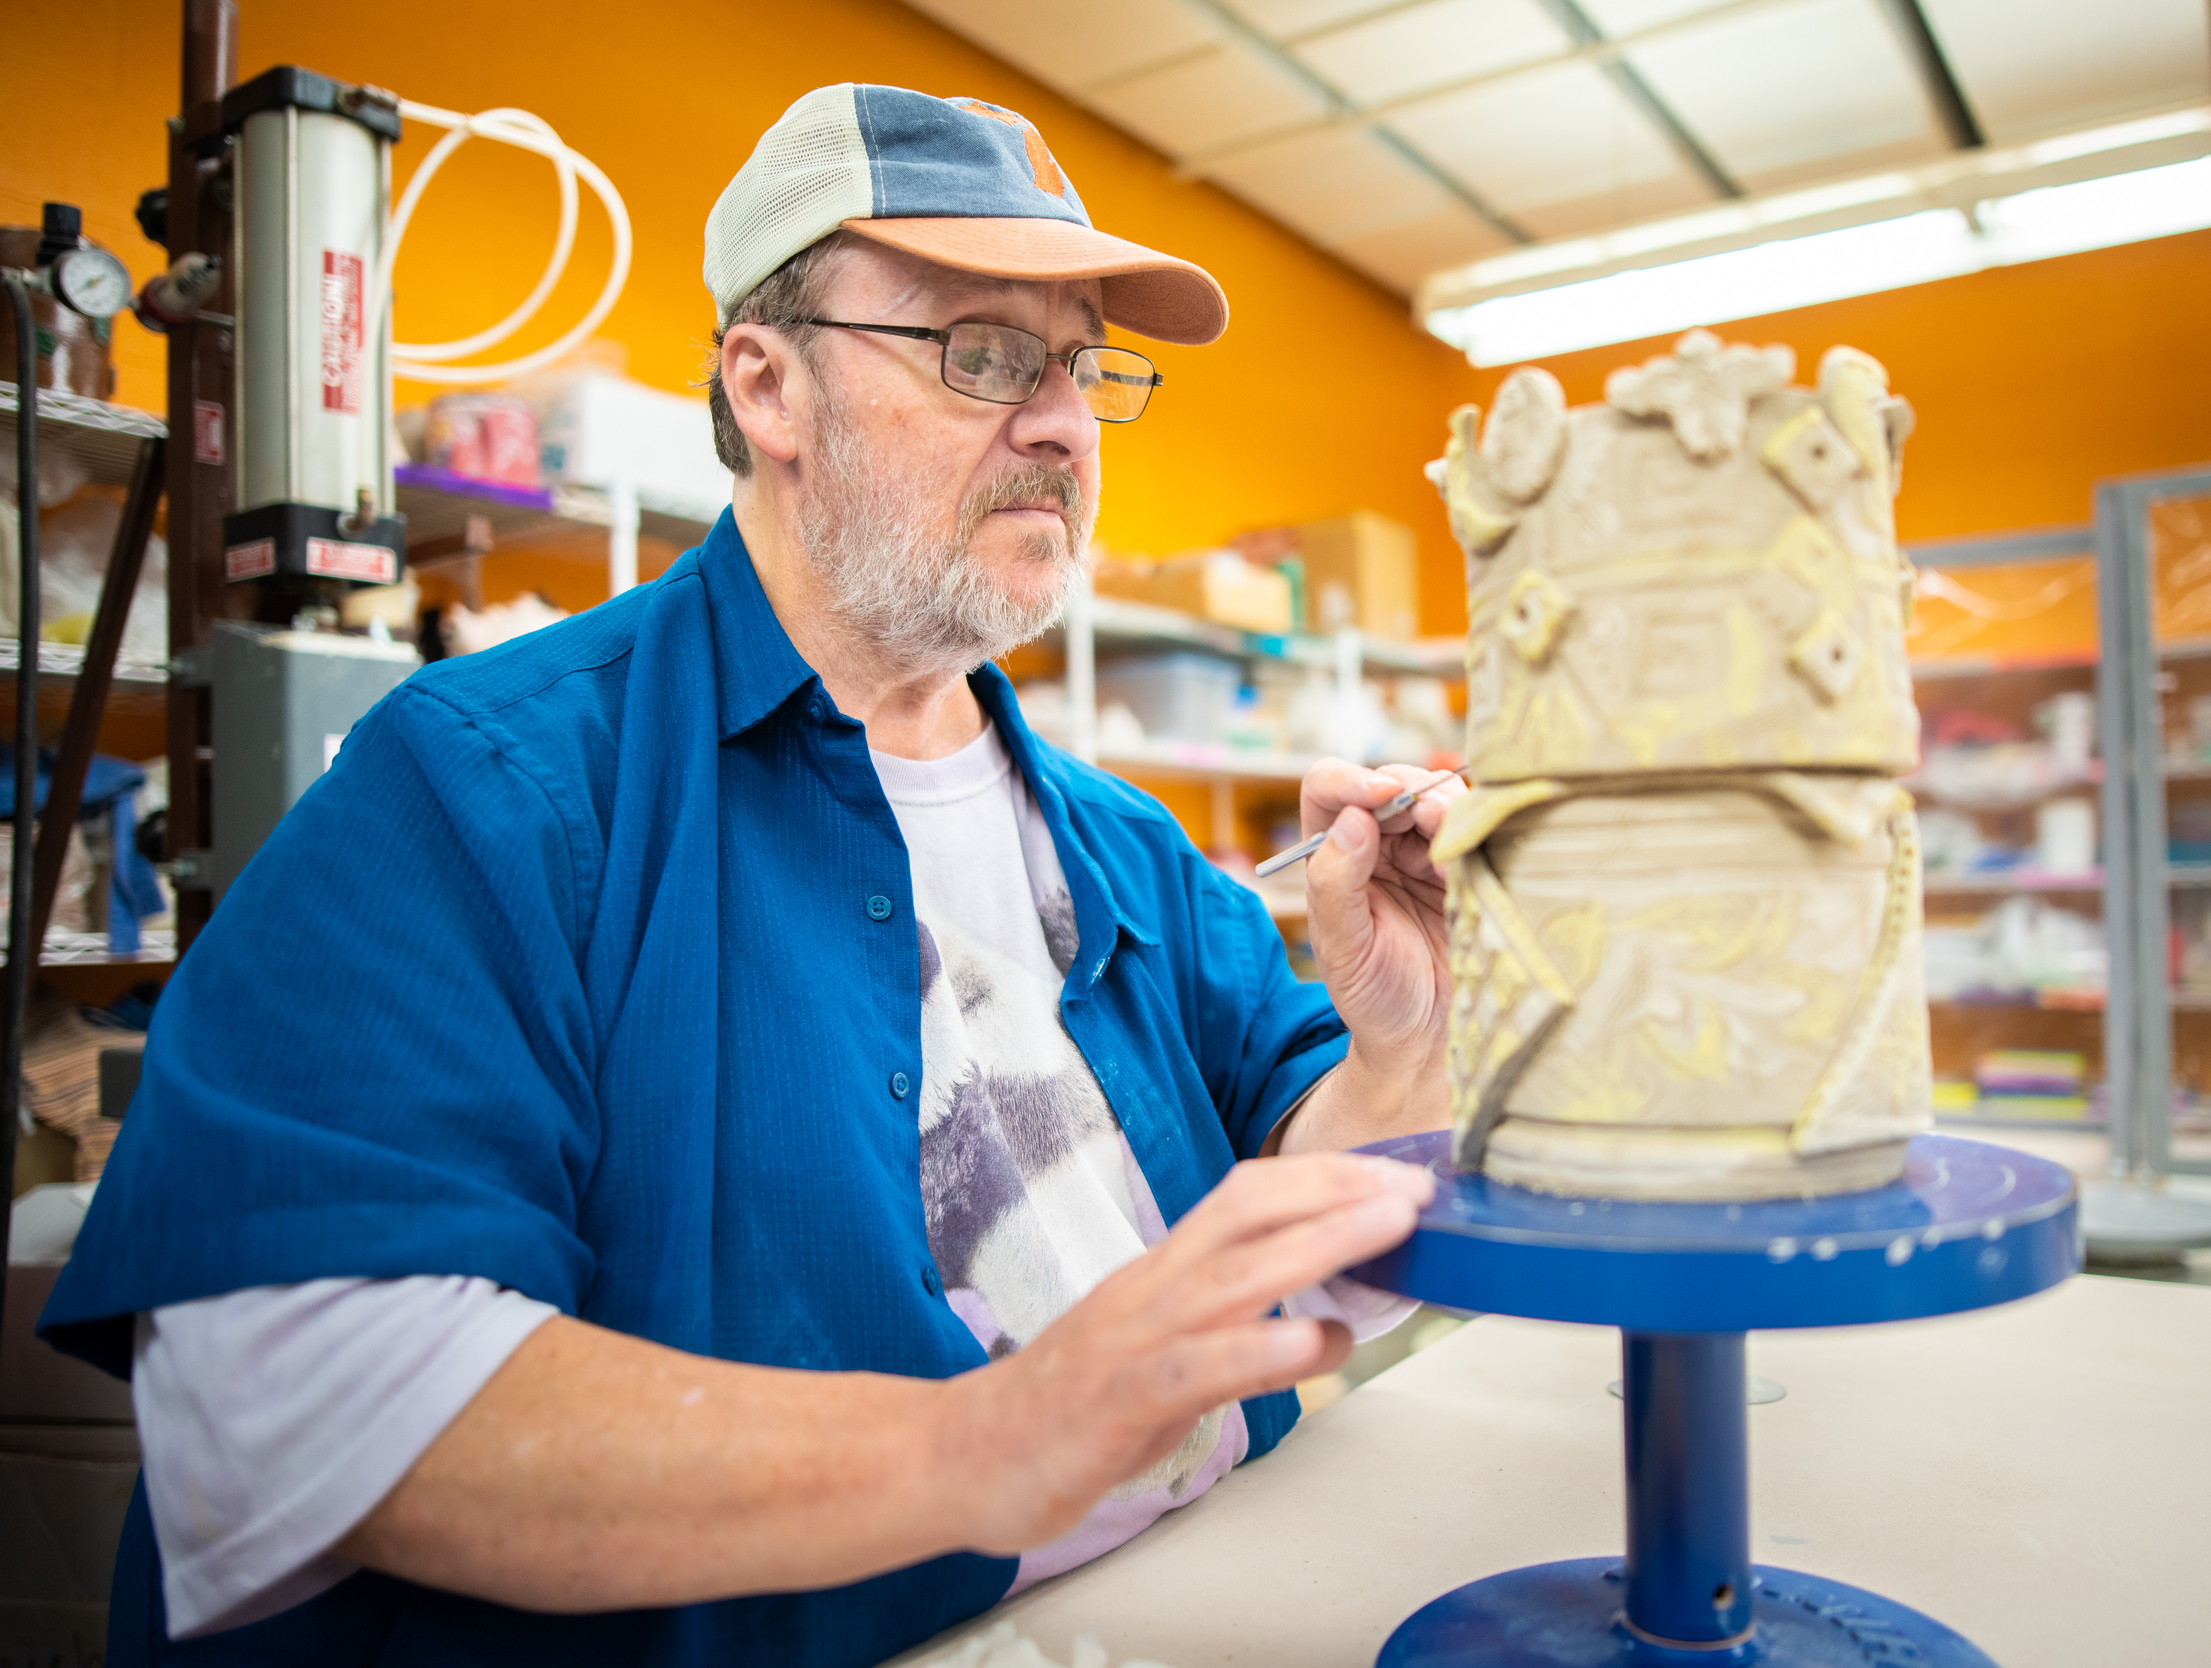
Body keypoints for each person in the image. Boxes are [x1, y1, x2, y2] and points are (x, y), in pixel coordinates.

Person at [41, 84, 1460, 1666]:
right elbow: (294, 1391)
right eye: (984, 351)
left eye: (1082, 366)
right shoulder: (490, 787)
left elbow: (1349, 1231)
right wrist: (985, 1441)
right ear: (769, 386)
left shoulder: (1119, 845)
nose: (1061, 421)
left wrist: (1403, 1038)